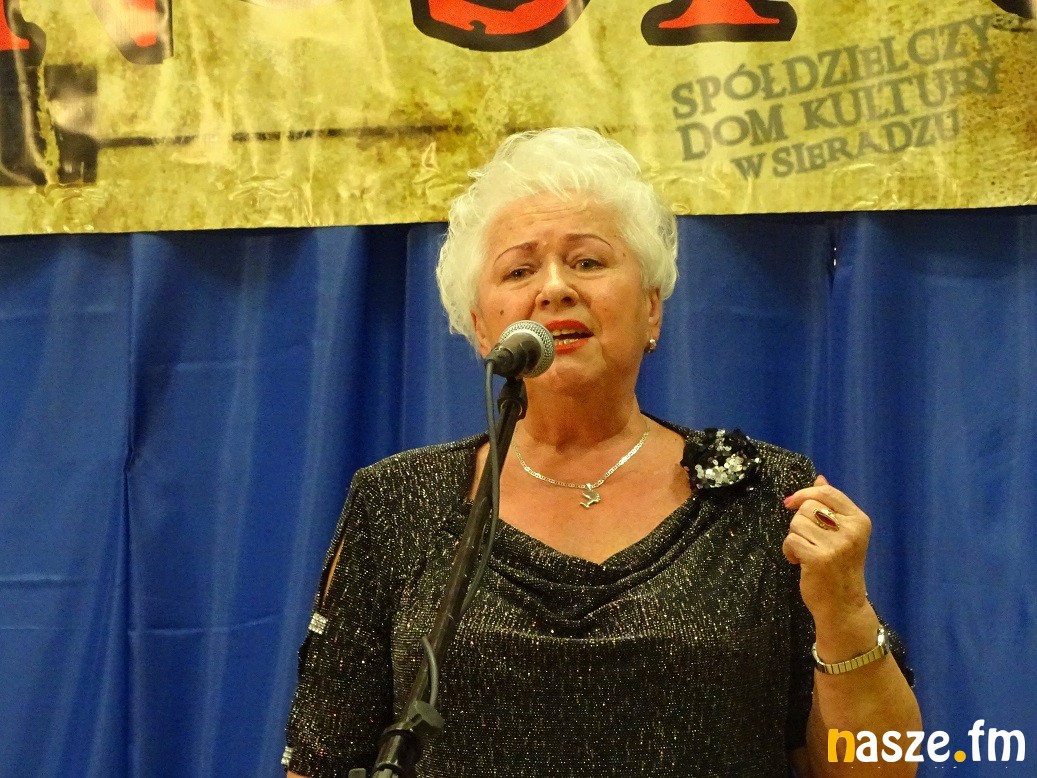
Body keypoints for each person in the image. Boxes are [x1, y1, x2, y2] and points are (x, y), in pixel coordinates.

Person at [283, 128, 921, 777]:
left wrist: (844, 610)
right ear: (480, 327)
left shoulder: (763, 493)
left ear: (651, 310)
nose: (554, 288)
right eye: (519, 270)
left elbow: (882, 768)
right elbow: (320, 761)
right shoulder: (398, 500)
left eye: (587, 262)